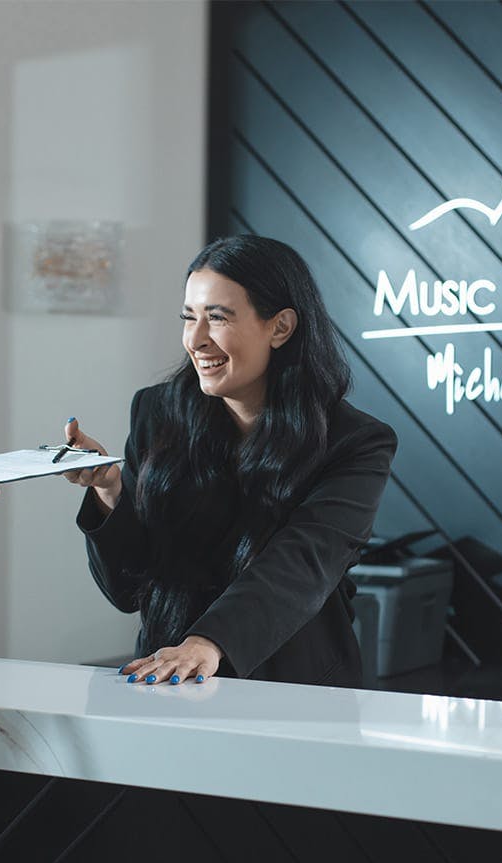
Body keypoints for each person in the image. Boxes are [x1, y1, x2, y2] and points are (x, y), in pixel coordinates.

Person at [63, 235, 396, 688]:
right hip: (168, 678)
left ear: (280, 327)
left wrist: (207, 642)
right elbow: (125, 589)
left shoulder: (355, 442)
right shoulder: (156, 412)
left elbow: (300, 565)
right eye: (188, 318)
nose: (196, 339)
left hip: (298, 689)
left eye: (217, 318)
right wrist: (109, 490)